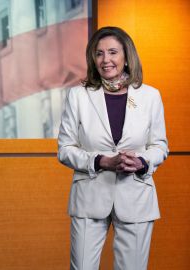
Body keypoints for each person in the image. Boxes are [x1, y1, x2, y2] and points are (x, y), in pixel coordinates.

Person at [57, 26, 168, 270]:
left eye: (112, 52)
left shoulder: (150, 96)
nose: (106, 59)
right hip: (89, 196)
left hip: (136, 197)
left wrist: (142, 162)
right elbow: (65, 149)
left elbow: (159, 145)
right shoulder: (78, 96)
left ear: (126, 56)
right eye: (99, 53)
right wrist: (101, 161)